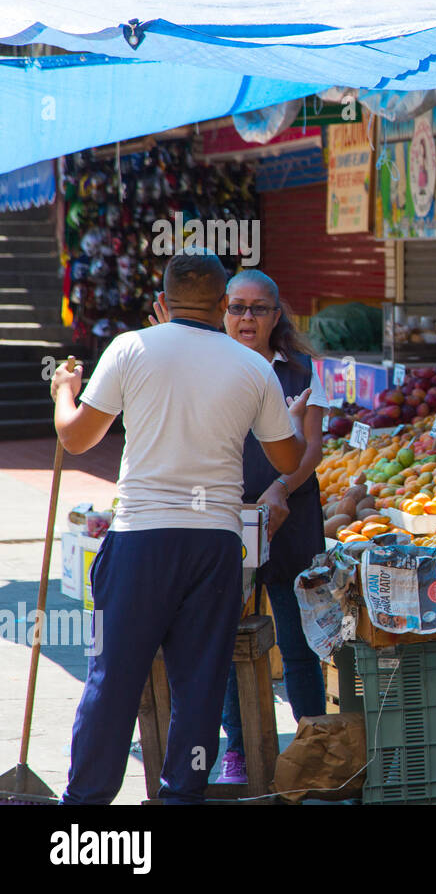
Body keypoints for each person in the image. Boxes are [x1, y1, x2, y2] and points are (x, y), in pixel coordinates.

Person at [52, 251, 306, 804]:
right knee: (199, 684)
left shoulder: (129, 348)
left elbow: (75, 439)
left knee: (113, 680)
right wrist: (293, 417)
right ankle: (183, 795)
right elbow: (290, 460)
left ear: (162, 303)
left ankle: (86, 804)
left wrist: (63, 393)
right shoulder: (253, 368)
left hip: (140, 539)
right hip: (214, 545)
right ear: (221, 305)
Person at [150, 269, 328, 785]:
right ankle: (238, 750)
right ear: (221, 311)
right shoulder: (203, 359)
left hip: (290, 518)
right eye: (237, 307)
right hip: (223, 521)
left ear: (277, 316)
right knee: (228, 639)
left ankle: (314, 747)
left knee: (297, 642)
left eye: (258, 309)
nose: (246, 318)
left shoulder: (299, 370)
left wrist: (280, 488)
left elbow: (311, 448)